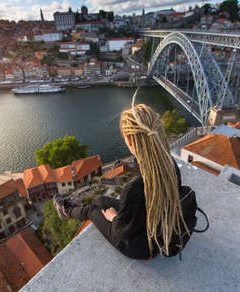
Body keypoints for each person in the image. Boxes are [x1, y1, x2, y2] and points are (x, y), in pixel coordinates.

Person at [53, 104, 197, 259]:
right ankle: (68, 208)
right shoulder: (170, 165)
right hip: (155, 223)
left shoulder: (134, 188)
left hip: (142, 246)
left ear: (129, 141)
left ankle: (66, 209)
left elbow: (120, 232)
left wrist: (114, 217)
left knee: (92, 210)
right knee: (100, 199)